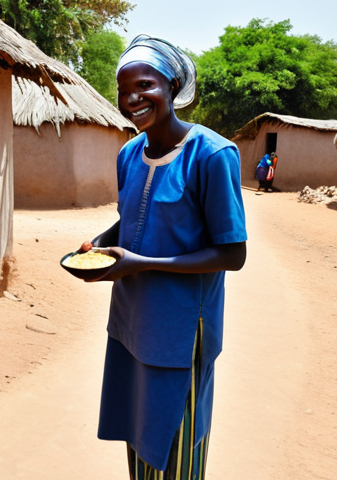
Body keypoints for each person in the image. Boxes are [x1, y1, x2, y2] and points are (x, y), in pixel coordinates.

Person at [78, 34, 247, 480]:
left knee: (175, 440)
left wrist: (141, 264)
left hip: (181, 328)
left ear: (172, 87)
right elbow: (133, 221)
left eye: (145, 86)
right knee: (137, 431)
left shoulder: (211, 155)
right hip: (132, 319)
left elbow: (232, 253)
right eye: (123, 89)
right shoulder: (129, 154)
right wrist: (99, 244)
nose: (132, 98)